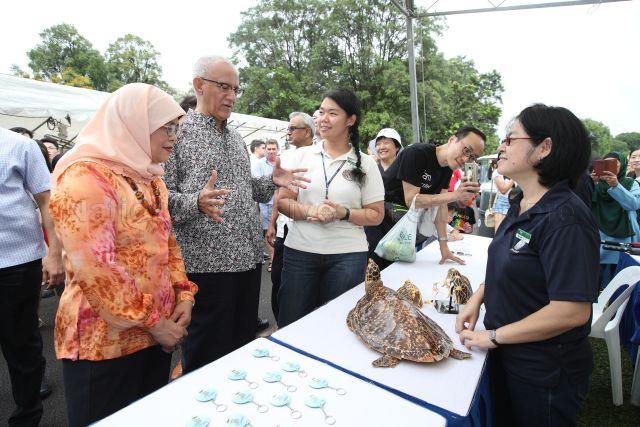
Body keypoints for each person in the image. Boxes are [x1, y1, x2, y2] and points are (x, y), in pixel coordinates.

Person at [49, 83, 196, 426]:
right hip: (104, 346)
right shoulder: (85, 177)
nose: (175, 137)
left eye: (178, 128)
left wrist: (183, 295)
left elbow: (168, 244)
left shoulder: (149, 178)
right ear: (134, 123)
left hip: (154, 336)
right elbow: (97, 269)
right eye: (168, 128)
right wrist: (157, 323)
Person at [456, 104, 599, 426]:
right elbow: (507, 263)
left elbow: (571, 311)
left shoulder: (566, 219)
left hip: (543, 370)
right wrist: (477, 298)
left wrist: (493, 336)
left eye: (510, 138)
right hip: (509, 353)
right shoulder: (522, 202)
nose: (501, 146)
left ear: (544, 148)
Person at [164, 55, 308, 374]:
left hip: (247, 259)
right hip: (206, 265)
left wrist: (270, 181)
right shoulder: (176, 134)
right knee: (206, 354)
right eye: (223, 86)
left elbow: (245, 189)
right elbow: (160, 200)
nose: (231, 95)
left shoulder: (235, 137)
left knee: (242, 348)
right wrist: (195, 202)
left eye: (235, 89)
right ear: (198, 86)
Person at [277, 88, 385, 327]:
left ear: (351, 120)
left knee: (337, 326)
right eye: (321, 112)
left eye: (332, 113)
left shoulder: (366, 164)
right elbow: (282, 201)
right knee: (292, 324)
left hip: (347, 257)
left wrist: (343, 213)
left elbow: (377, 215)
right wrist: (310, 211)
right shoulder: (301, 156)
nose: (323, 119)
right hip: (300, 252)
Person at [1, 128, 64, 427]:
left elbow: (46, 200)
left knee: (20, 342)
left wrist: (53, 254)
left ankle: (27, 416)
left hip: (16, 261)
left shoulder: (19, 145)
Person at [377, 126, 485, 266]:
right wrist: (456, 195)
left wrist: (444, 248)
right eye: (466, 150)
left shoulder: (447, 169)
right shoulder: (417, 153)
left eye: (472, 157)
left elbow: (441, 207)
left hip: (405, 235)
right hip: (381, 229)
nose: (466, 159)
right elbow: (412, 201)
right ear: (452, 139)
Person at [265, 111, 315, 319]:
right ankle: (280, 323)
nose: (289, 132)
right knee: (278, 277)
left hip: (308, 229)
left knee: (302, 283)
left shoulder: (319, 155)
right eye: (288, 128)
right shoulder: (284, 157)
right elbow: (278, 193)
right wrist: (272, 223)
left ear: (308, 131)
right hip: (284, 229)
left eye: (293, 128)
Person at [591, 151, 640, 286]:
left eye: (614, 164)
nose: (609, 167)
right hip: (598, 238)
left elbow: (634, 204)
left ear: (623, 165)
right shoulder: (596, 185)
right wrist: (590, 183)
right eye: (605, 163)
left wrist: (616, 186)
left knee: (619, 283)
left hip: (623, 239)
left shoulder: (631, 184)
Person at [252, 139, 279, 270]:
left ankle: (279, 260)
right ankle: (273, 260)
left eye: (274, 149)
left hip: (282, 203)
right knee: (268, 232)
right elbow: (258, 184)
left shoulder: (282, 162)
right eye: (269, 149)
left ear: (278, 150)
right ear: (265, 150)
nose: (271, 151)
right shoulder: (258, 164)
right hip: (267, 204)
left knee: (281, 232)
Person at [491, 168, 515, 232]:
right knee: (500, 231)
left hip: (515, 201)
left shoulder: (513, 171)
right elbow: (503, 190)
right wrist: (514, 177)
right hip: (503, 201)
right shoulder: (498, 172)